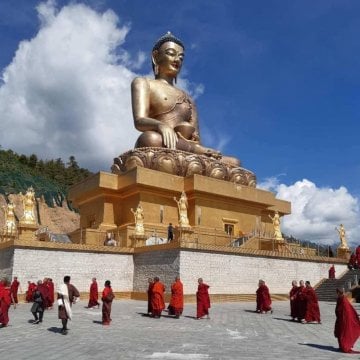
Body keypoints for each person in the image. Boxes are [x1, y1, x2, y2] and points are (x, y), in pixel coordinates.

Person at [131, 32, 239, 167]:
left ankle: (194, 161)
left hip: (184, 149)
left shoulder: (188, 99)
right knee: (149, 139)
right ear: (155, 56)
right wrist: (161, 125)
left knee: (234, 163)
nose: (177, 60)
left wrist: (200, 149)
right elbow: (139, 120)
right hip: (160, 143)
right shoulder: (143, 83)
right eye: (171, 53)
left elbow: (196, 139)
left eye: (181, 57)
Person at [334, 288, 360, 353]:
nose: (336, 294)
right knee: (339, 333)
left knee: (343, 333)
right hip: (339, 319)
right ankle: (341, 346)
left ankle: (345, 346)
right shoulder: (339, 299)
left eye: (337, 293)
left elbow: (347, 309)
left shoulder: (343, 299)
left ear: (339, 293)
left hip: (344, 319)